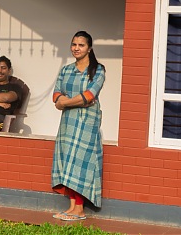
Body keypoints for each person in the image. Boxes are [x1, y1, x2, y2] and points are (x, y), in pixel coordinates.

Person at [51, 30, 105, 221]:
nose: (76, 48)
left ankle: (80, 209)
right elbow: (56, 94)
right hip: (68, 123)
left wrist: (64, 102)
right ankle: (72, 207)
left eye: (81, 45)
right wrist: (72, 100)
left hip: (87, 122)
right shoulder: (66, 70)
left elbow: (90, 96)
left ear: (89, 48)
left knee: (80, 163)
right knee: (69, 162)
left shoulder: (98, 70)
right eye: (74, 44)